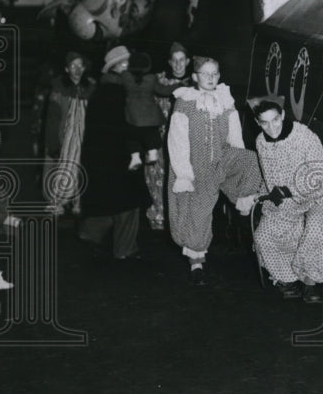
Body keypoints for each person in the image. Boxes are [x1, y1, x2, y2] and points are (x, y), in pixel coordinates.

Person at [166, 55, 262, 285]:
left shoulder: (225, 100)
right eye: (205, 73)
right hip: (194, 166)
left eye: (215, 73)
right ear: (195, 76)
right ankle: (197, 264)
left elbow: (235, 136)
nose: (211, 78)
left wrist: (237, 165)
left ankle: (243, 202)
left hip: (220, 160)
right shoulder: (185, 102)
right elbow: (177, 142)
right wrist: (184, 175)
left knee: (249, 159)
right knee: (197, 216)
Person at [236, 97, 323, 304]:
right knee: (264, 234)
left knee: (315, 229)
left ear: (282, 115)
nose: (271, 127)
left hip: (318, 197)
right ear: (258, 123)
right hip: (286, 203)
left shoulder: (304, 136)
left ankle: (310, 282)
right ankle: (289, 280)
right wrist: (255, 196)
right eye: (264, 123)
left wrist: (287, 190)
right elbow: (269, 179)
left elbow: (319, 174)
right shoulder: (260, 142)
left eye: (275, 120)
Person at [76, 60, 152, 259]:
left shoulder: (101, 91)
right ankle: (125, 249)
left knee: (109, 201)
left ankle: (89, 233)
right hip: (121, 155)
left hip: (101, 157)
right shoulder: (120, 92)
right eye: (126, 64)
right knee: (129, 203)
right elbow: (129, 124)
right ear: (115, 68)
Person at [143, 41, 192, 231]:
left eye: (182, 60)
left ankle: (178, 217)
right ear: (170, 62)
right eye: (175, 61)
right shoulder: (158, 81)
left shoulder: (194, 83)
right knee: (155, 173)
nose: (179, 65)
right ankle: (158, 215)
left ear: (187, 61)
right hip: (159, 136)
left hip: (182, 139)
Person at [43, 51, 96, 215]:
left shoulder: (92, 88)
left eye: (80, 65)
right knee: (64, 167)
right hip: (65, 137)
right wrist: (53, 143)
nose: (77, 69)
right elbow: (53, 117)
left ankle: (79, 203)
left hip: (85, 136)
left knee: (83, 168)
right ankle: (58, 202)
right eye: (73, 66)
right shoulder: (59, 90)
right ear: (67, 69)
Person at [101, 46, 165, 171]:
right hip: (120, 140)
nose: (129, 65)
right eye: (125, 62)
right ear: (115, 67)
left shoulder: (126, 79)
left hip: (132, 128)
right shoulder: (112, 86)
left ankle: (137, 156)